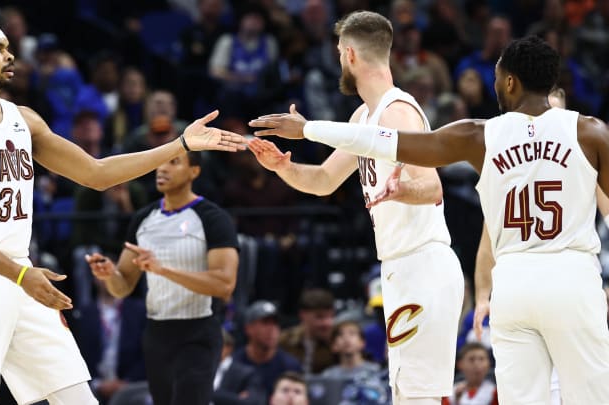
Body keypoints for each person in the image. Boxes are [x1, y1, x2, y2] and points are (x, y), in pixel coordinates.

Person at [249, 35, 609, 404]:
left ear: (510, 82)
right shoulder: (591, 131)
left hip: (513, 284)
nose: (495, 85)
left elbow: (387, 141)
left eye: (497, 78)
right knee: (590, 396)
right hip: (572, 276)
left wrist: (309, 128)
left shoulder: (478, 134)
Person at [0, 4, 245, 405]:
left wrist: (178, 145)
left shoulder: (23, 119)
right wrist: (22, 276)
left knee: (76, 396)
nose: (10, 56)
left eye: (9, 47)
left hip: (21, 273)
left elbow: (96, 173)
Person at [248, 11, 464, 404]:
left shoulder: (398, 111)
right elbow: (323, 181)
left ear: (349, 54)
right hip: (400, 265)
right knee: (406, 393)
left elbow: (431, 186)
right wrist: (282, 167)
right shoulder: (363, 117)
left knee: (419, 396)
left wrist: (399, 191)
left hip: (423, 263)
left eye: (338, 54)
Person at [86, 150, 240, 405]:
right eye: (160, 163)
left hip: (198, 329)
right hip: (157, 331)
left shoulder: (213, 219)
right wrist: (109, 274)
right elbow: (123, 287)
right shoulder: (143, 219)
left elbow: (225, 284)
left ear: (194, 171)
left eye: (174, 162)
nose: (162, 169)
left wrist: (163, 270)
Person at [234, 300, 302, 398]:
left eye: (275, 323)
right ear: (248, 328)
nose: (272, 329)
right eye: (265, 323)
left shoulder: (291, 366)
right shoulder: (234, 363)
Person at [279, 287, 336, 374]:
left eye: (331, 316)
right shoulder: (284, 341)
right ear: (303, 315)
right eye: (320, 317)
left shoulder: (336, 343)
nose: (327, 323)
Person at [212, 329, 266, 405]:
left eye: (216, 345)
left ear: (229, 348)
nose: (212, 349)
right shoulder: (199, 370)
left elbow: (250, 402)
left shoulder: (246, 374)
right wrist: (235, 397)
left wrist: (209, 393)